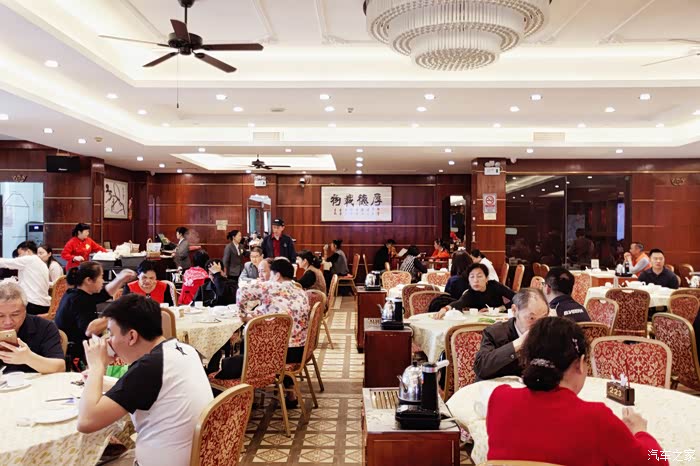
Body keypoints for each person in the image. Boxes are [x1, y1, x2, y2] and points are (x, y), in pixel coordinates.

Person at [486, 317, 669, 466]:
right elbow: (657, 463)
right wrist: (640, 431)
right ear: (581, 364)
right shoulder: (596, 418)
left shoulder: (500, 398)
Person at [76, 294, 213, 466]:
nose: (108, 341)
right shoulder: (184, 350)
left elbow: (86, 422)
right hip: (199, 457)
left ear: (132, 336)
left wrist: (97, 366)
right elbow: (142, 390)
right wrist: (100, 380)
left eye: (110, 334)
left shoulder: (148, 368)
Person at [229, 259, 310, 406]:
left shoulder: (273, 286)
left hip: (277, 353)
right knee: (277, 336)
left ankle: (249, 391)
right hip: (300, 351)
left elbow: (241, 292)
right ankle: (290, 392)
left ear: (277, 275)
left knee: (248, 341)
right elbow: (278, 311)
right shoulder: (300, 290)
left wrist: (242, 314)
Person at [54, 262, 136, 362]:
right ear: (88, 280)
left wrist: (120, 279)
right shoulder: (79, 300)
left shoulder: (77, 292)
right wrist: (118, 313)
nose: (103, 281)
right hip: (75, 353)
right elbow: (90, 330)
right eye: (101, 277)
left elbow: (105, 293)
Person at [473, 288, 550, 380]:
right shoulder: (495, 332)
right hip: (497, 386)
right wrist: (517, 344)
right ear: (514, 310)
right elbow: (481, 368)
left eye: (542, 319)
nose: (537, 325)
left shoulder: (548, 333)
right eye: (531, 318)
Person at [0, 281, 64, 374]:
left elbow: (60, 367)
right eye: (1, 316)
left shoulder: (44, 327)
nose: (8, 322)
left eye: (15, 314)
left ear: (25, 311)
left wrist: (28, 358)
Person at [434, 264, 515, 317]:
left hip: (500, 321)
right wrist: (445, 309)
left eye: (479, 276)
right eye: (472, 277)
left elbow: (517, 298)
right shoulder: (470, 293)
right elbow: (459, 303)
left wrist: (500, 308)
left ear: (486, 278)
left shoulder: (495, 286)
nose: (475, 280)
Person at [0, 241, 51, 315]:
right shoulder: (42, 263)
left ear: (28, 251)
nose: (19, 257)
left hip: (32, 305)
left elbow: (5, 262)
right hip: (45, 305)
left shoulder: (29, 259)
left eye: (20, 254)